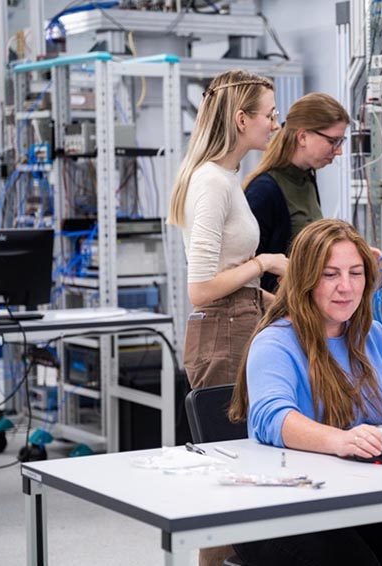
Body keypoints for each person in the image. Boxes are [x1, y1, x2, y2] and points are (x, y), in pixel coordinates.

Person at [227, 219, 382, 566]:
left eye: (356, 273)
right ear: (305, 279)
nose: (346, 287)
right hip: (284, 509)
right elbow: (272, 417)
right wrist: (340, 440)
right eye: (330, 275)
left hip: (358, 497)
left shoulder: (370, 335)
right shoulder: (275, 341)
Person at [167, 69, 289, 566]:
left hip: (240, 322)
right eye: (270, 115)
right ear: (241, 119)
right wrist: (264, 263)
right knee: (227, 474)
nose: (276, 125)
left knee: (242, 470)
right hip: (222, 332)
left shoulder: (228, 178)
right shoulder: (211, 182)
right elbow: (200, 288)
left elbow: (225, 271)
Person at [243, 92, 350, 293]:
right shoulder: (264, 191)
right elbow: (246, 273)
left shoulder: (307, 179)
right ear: (302, 137)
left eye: (340, 142)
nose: (339, 151)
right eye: (333, 141)